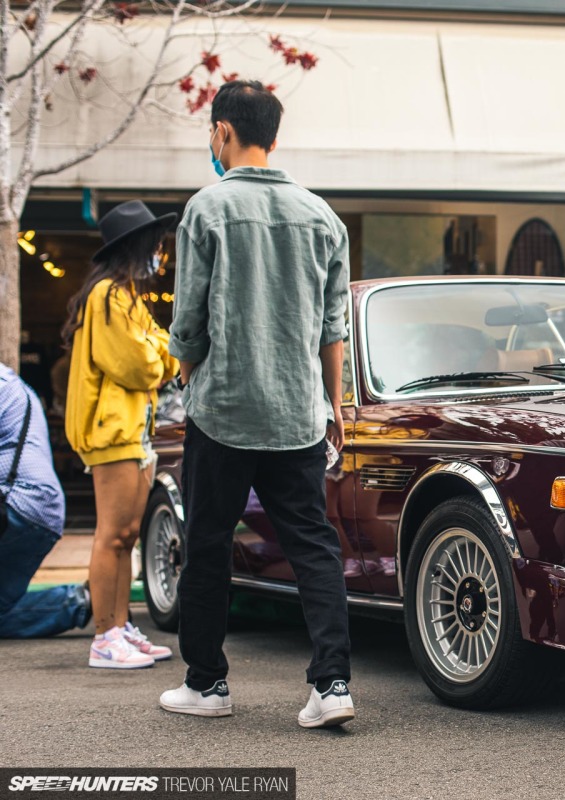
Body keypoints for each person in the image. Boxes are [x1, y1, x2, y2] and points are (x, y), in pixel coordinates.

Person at [163, 80, 354, 727]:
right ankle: (332, 686)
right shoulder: (321, 216)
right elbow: (335, 329)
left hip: (223, 410)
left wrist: (188, 377)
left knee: (209, 542)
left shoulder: (208, 209)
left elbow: (189, 320)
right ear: (273, 135)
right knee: (313, 546)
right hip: (298, 413)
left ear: (222, 132)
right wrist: (334, 408)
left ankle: (207, 686)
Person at [63, 200, 179, 669]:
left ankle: (118, 627)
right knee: (113, 535)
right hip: (114, 433)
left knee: (127, 535)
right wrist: (160, 354)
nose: (160, 253)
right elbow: (143, 365)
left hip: (132, 431)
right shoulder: (109, 297)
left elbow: (163, 352)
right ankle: (104, 636)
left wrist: (159, 353)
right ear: (135, 247)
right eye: (154, 245)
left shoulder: (125, 295)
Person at [0, 363, 91, 639]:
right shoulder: (9, 381)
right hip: (34, 508)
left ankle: (81, 600)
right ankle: (84, 600)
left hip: (20, 507)